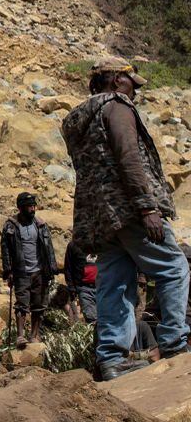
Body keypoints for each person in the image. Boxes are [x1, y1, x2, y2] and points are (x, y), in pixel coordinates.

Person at [61, 56, 190, 381]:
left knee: (114, 283)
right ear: (118, 79)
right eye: (133, 83)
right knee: (174, 269)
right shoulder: (117, 107)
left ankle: (112, 359)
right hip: (129, 209)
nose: (137, 91)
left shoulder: (81, 117)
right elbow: (128, 155)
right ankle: (175, 343)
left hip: (99, 216)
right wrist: (147, 207)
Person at [1, 192, 59, 347]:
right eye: (28, 206)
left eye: (33, 206)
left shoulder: (40, 224)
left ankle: (34, 334)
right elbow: (5, 249)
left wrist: (52, 269)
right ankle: (20, 335)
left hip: (40, 272)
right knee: (21, 304)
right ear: (20, 208)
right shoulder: (11, 225)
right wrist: (8, 271)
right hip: (21, 272)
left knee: (39, 305)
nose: (32, 209)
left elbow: (49, 248)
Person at [64, 238, 98, 324]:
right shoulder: (73, 245)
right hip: (84, 288)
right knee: (91, 319)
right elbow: (68, 268)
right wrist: (71, 287)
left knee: (106, 318)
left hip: (103, 287)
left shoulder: (102, 242)